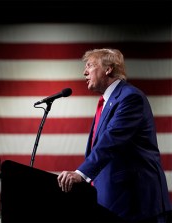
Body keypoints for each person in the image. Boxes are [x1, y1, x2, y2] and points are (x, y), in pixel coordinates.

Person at [57, 48, 172, 222]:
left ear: (108, 68)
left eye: (90, 65)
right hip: (113, 201)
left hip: (136, 202)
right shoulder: (106, 102)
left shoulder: (130, 98)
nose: (84, 72)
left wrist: (81, 173)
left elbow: (111, 141)